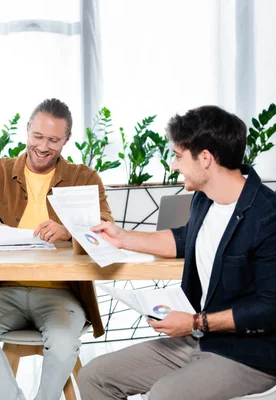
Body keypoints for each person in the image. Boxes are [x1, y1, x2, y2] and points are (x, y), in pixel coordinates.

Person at [78, 105, 276, 399]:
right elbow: (185, 239)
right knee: (94, 376)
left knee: (163, 395)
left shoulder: (267, 215)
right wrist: (121, 238)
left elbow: (270, 307)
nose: (174, 165)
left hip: (249, 353)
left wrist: (196, 321)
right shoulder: (203, 200)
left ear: (205, 158)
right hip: (199, 339)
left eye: (179, 156)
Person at [0, 98, 112, 400]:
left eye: (53, 140)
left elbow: (108, 233)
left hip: (61, 293)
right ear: (27, 132)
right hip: (1, 291)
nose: (43, 146)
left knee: (64, 343)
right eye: (37, 136)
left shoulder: (84, 178)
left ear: (66, 140)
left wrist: (69, 231)